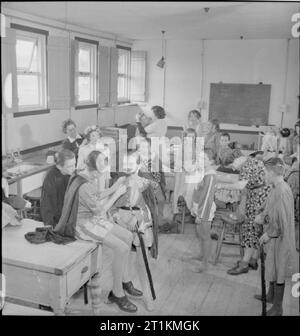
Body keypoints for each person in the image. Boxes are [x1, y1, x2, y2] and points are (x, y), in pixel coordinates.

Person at [70, 150, 142, 313]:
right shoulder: (85, 184)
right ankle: (117, 293)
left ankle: (125, 280)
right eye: (102, 162)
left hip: (91, 218)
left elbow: (97, 195)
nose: (106, 163)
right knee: (122, 248)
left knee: (129, 235)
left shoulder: (86, 175)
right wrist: (116, 193)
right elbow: (100, 210)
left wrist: (115, 186)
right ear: (93, 166)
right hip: (82, 225)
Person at [110, 150, 158, 311]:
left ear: (139, 165)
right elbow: (111, 208)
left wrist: (140, 221)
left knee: (142, 263)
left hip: (140, 223)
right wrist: (120, 219)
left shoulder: (145, 184)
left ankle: (148, 297)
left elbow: (151, 208)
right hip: (122, 223)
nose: (127, 166)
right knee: (122, 258)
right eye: (125, 163)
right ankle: (120, 287)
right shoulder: (119, 181)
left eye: (131, 163)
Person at [254, 157, 297, 316]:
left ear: (272, 172)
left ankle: (278, 307)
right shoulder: (275, 187)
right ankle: (271, 296)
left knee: (279, 269)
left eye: (265, 172)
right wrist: (262, 213)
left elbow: (281, 221)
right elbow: (270, 208)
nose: (264, 175)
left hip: (281, 238)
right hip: (274, 237)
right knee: (272, 266)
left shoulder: (282, 191)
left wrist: (269, 233)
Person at [226, 155, 272, 275]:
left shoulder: (246, 166)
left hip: (257, 197)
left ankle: (244, 264)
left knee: (249, 229)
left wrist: (221, 185)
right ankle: (253, 260)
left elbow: (240, 186)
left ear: (237, 161)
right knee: (257, 229)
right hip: (264, 195)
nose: (235, 169)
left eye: (234, 166)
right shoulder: (254, 161)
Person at [189, 149, 217, 272]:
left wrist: (201, 214)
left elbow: (207, 197)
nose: (201, 161)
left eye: (204, 159)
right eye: (200, 158)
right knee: (200, 233)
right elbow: (197, 190)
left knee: (205, 236)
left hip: (205, 209)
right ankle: (202, 255)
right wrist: (194, 206)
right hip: (199, 207)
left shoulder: (210, 175)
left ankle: (205, 264)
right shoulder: (203, 172)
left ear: (211, 161)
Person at [40, 149, 76, 228]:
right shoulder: (51, 179)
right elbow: (47, 205)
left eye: (74, 164)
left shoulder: (71, 173)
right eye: (70, 166)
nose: (74, 168)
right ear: (59, 166)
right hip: (57, 219)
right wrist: (50, 225)